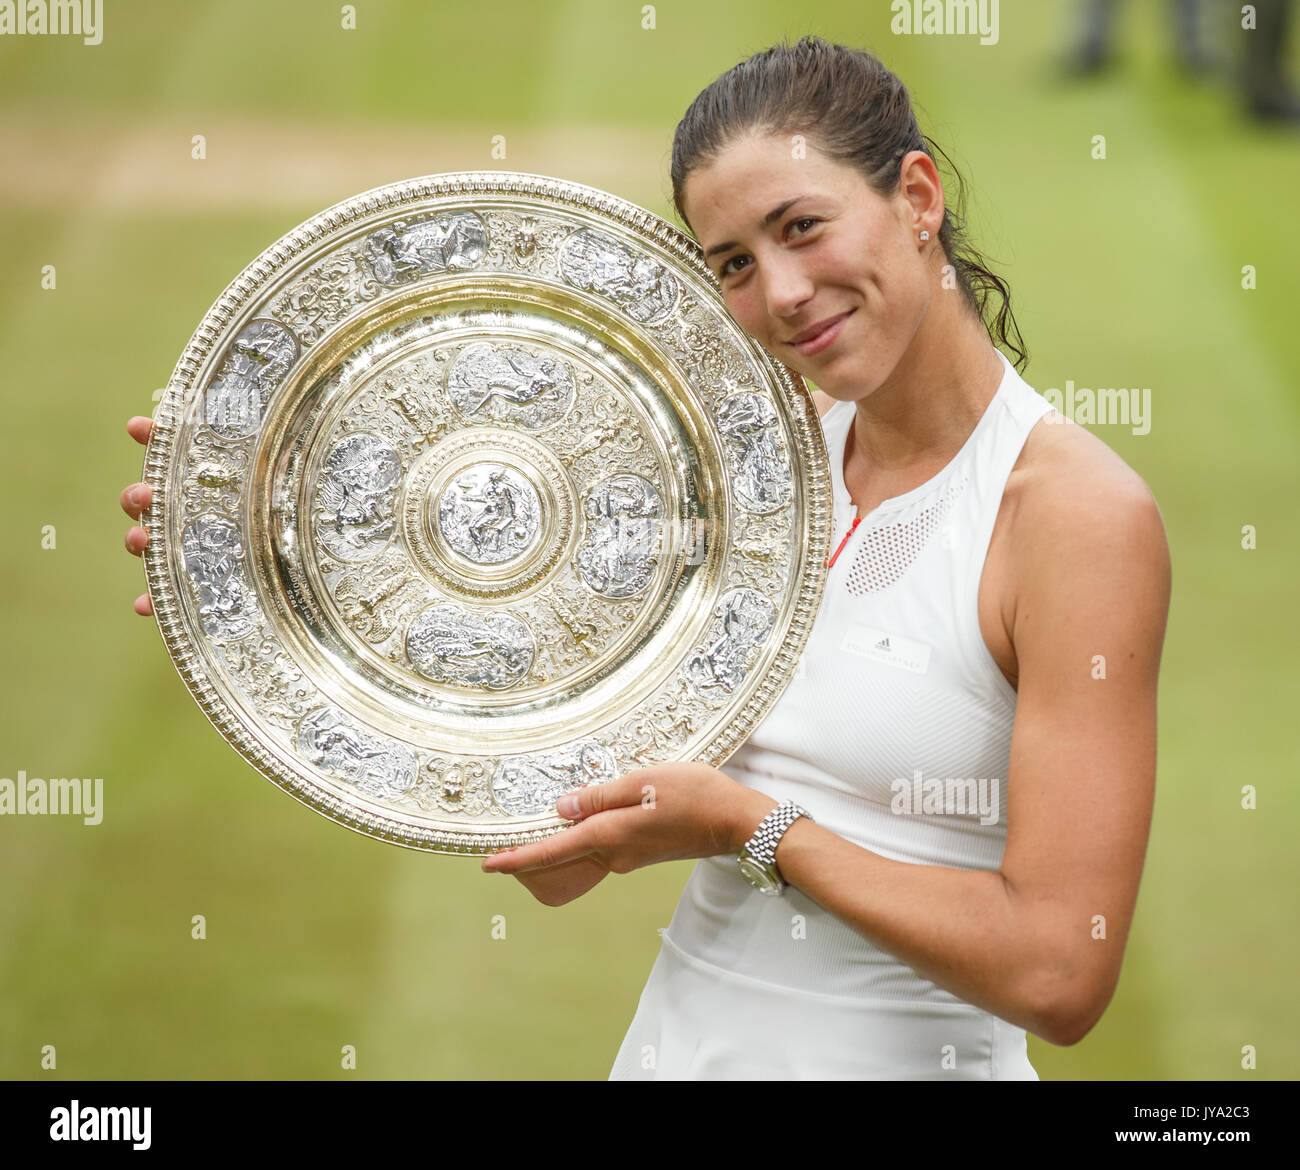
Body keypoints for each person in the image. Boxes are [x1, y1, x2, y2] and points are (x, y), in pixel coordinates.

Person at [119, 36, 1172, 1080]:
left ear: (916, 196)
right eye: (735, 266)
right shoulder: (751, 474)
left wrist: (751, 830)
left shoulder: (1075, 518)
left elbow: (1057, 974)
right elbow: (574, 821)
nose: (785, 293)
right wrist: (250, 567)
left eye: (802, 228)